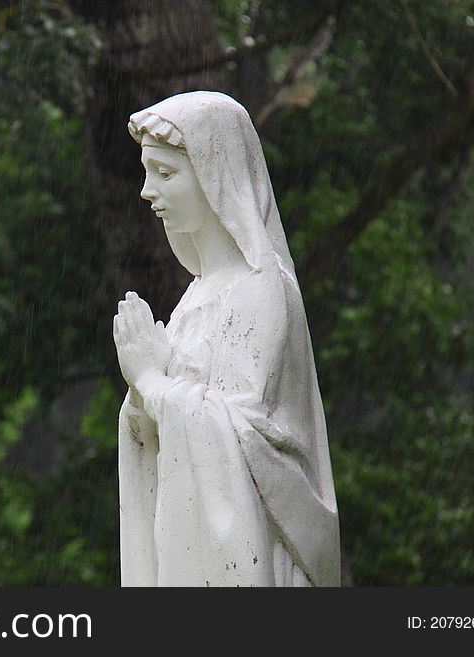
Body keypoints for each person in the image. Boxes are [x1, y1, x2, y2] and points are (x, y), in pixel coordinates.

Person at [114, 91, 340, 586]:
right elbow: (175, 429)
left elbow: (245, 444)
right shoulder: (197, 297)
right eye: (148, 172)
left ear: (217, 176)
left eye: (167, 173)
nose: (148, 191)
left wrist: (153, 383)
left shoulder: (260, 290)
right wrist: (140, 396)